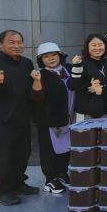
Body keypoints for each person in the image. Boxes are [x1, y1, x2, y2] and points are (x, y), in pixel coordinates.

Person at [0, 30, 40, 205]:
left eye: (19, 42)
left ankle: (18, 184)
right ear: (0, 44)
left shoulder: (26, 63)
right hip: (1, 122)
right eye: (11, 42)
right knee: (3, 158)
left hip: (22, 118)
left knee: (22, 155)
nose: (17, 46)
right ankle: (3, 191)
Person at [32, 42, 74, 194]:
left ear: (60, 56)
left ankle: (62, 173)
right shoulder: (40, 75)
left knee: (66, 147)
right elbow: (36, 98)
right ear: (41, 60)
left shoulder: (70, 69)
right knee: (50, 150)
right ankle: (50, 179)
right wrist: (36, 81)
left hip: (69, 117)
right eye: (46, 56)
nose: (51, 58)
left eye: (54, 55)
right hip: (49, 120)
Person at [68, 34, 107, 119]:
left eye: (100, 45)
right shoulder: (81, 63)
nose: (97, 48)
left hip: (106, 109)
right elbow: (72, 86)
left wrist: (101, 88)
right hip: (86, 111)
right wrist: (76, 66)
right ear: (87, 47)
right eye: (93, 45)